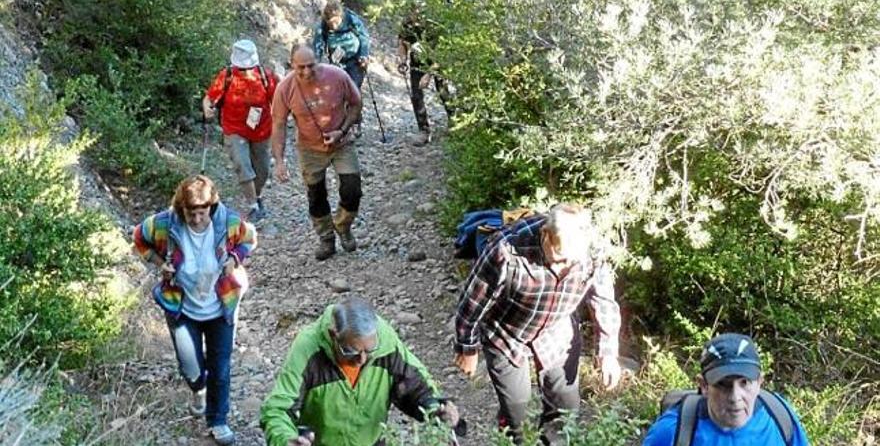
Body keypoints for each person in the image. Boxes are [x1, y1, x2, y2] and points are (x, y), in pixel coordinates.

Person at [453, 203, 622, 445]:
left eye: (570, 262)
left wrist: (608, 353)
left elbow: (604, 300)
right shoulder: (506, 251)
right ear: (545, 234)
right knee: (518, 417)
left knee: (565, 412)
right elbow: (471, 302)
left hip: (557, 331)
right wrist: (466, 347)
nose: (563, 267)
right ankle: (510, 431)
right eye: (559, 257)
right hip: (506, 333)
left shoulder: (592, 253)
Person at [132, 175, 257, 445]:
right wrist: (157, 262)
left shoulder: (227, 221)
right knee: (191, 367)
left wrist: (235, 259)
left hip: (221, 305)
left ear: (210, 207)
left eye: (202, 213)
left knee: (220, 367)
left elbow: (250, 238)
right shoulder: (165, 223)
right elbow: (138, 238)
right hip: (181, 307)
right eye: (191, 213)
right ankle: (197, 388)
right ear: (181, 208)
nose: (197, 219)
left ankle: (218, 420)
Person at [260, 296, 460, 446]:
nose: (362, 359)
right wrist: (286, 440)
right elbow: (278, 410)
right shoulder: (308, 349)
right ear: (333, 334)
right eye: (351, 351)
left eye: (369, 350)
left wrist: (438, 410)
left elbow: (417, 388)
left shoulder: (386, 343)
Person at [271, 45, 363, 261]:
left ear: (318, 61)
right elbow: (278, 124)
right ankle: (326, 237)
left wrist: (341, 130)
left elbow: (356, 104)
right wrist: (279, 161)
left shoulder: (337, 76)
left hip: (342, 144)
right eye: (300, 67)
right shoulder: (285, 88)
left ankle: (342, 225)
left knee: (353, 190)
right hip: (309, 148)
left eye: (310, 65)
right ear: (292, 65)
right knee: (316, 195)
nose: (306, 71)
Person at [643, 333, 810, 446]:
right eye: (723, 384)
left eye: (744, 382)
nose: (735, 397)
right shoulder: (672, 431)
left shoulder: (780, 418)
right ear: (704, 385)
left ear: (759, 383)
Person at [202, 39, 279, 223]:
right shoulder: (227, 76)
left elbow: (278, 101)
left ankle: (257, 197)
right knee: (242, 165)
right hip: (234, 129)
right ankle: (253, 205)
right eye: (243, 68)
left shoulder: (265, 76)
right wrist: (207, 108)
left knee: (262, 169)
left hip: (261, 130)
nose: (246, 71)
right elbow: (209, 98)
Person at [397, 3, 454, 146]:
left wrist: (428, 75)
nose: (416, 17)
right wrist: (402, 60)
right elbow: (402, 44)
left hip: (436, 61)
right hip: (417, 61)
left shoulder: (435, 26)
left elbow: (441, 54)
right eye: (414, 13)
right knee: (416, 95)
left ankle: (454, 121)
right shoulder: (407, 25)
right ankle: (423, 129)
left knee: (443, 91)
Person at [312, 0, 370, 90]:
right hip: (337, 62)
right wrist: (314, 66)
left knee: (352, 88)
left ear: (341, 16)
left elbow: (364, 37)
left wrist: (364, 55)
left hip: (355, 61)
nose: (334, 26)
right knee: (335, 89)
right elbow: (317, 47)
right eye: (330, 24)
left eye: (336, 22)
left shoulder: (351, 19)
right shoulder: (322, 27)